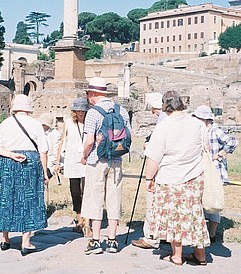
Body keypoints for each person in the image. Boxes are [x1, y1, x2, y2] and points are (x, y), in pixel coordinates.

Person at [144, 90, 210, 266]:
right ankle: (200, 255)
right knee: (195, 214)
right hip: (194, 176)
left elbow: (154, 157)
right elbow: (206, 148)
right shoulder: (197, 124)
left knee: (174, 217)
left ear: (165, 105)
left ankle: (177, 255)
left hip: (170, 177)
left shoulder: (164, 126)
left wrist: (149, 178)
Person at [0, 94, 49, 256]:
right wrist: (45, 172)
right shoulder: (36, 124)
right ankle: (26, 242)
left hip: (8, 162)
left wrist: (10, 154)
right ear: (29, 107)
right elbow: (43, 150)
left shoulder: (4, 124)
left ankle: (5, 239)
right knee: (29, 199)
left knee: (6, 197)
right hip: (30, 161)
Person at [81, 77, 131, 255]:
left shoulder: (93, 112)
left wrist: (84, 156)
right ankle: (112, 240)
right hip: (116, 160)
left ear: (94, 94)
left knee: (95, 199)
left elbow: (89, 141)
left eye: (89, 94)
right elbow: (128, 136)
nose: (88, 98)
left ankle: (95, 240)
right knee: (114, 198)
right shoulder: (122, 110)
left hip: (97, 160)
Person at [193, 105, 238, 242]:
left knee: (213, 201)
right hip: (202, 169)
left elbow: (232, 141)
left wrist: (219, 154)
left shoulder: (215, 130)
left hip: (215, 170)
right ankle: (202, 231)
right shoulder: (200, 130)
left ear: (205, 119)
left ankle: (212, 233)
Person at [131, 91, 166, 250]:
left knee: (153, 204)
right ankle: (164, 234)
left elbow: (156, 152)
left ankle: (151, 237)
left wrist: (149, 178)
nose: (153, 113)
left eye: (153, 109)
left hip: (160, 170)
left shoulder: (163, 122)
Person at [54, 97, 91, 236]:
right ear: (74, 111)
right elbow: (63, 140)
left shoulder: (89, 122)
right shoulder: (69, 122)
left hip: (86, 158)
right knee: (75, 191)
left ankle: (87, 223)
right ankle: (79, 218)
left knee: (87, 191)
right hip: (71, 159)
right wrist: (58, 161)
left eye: (83, 110)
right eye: (78, 110)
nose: (81, 112)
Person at [38, 112, 61, 177]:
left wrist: (49, 165)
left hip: (49, 164)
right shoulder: (38, 133)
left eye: (44, 125)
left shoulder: (55, 134)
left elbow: (56, 152)